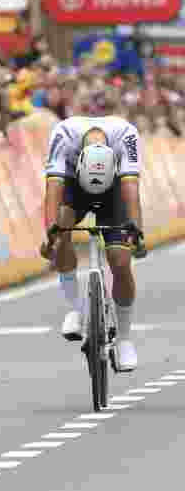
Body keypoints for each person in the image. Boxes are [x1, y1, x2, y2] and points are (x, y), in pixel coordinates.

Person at [41, 114, 147, 372]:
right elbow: (53, 190)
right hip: (75, 188)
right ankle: (75, 309)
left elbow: (131, 189)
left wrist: (137, 232)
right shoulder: (63, 135)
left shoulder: (126, 135)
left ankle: (123, 339)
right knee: (61, 226)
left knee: (120, 261)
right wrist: (51, 236)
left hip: (115, 192)